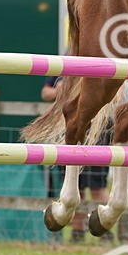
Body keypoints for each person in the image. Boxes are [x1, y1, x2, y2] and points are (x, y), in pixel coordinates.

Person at [42, 76, 112, 243]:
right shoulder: (64, 66)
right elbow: (45, 92)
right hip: (71, 129)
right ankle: (77, 231)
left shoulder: (102, 62)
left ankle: (105, 229)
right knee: (76, 185)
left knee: (98, 185)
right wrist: (59, 91)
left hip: (97, 130)